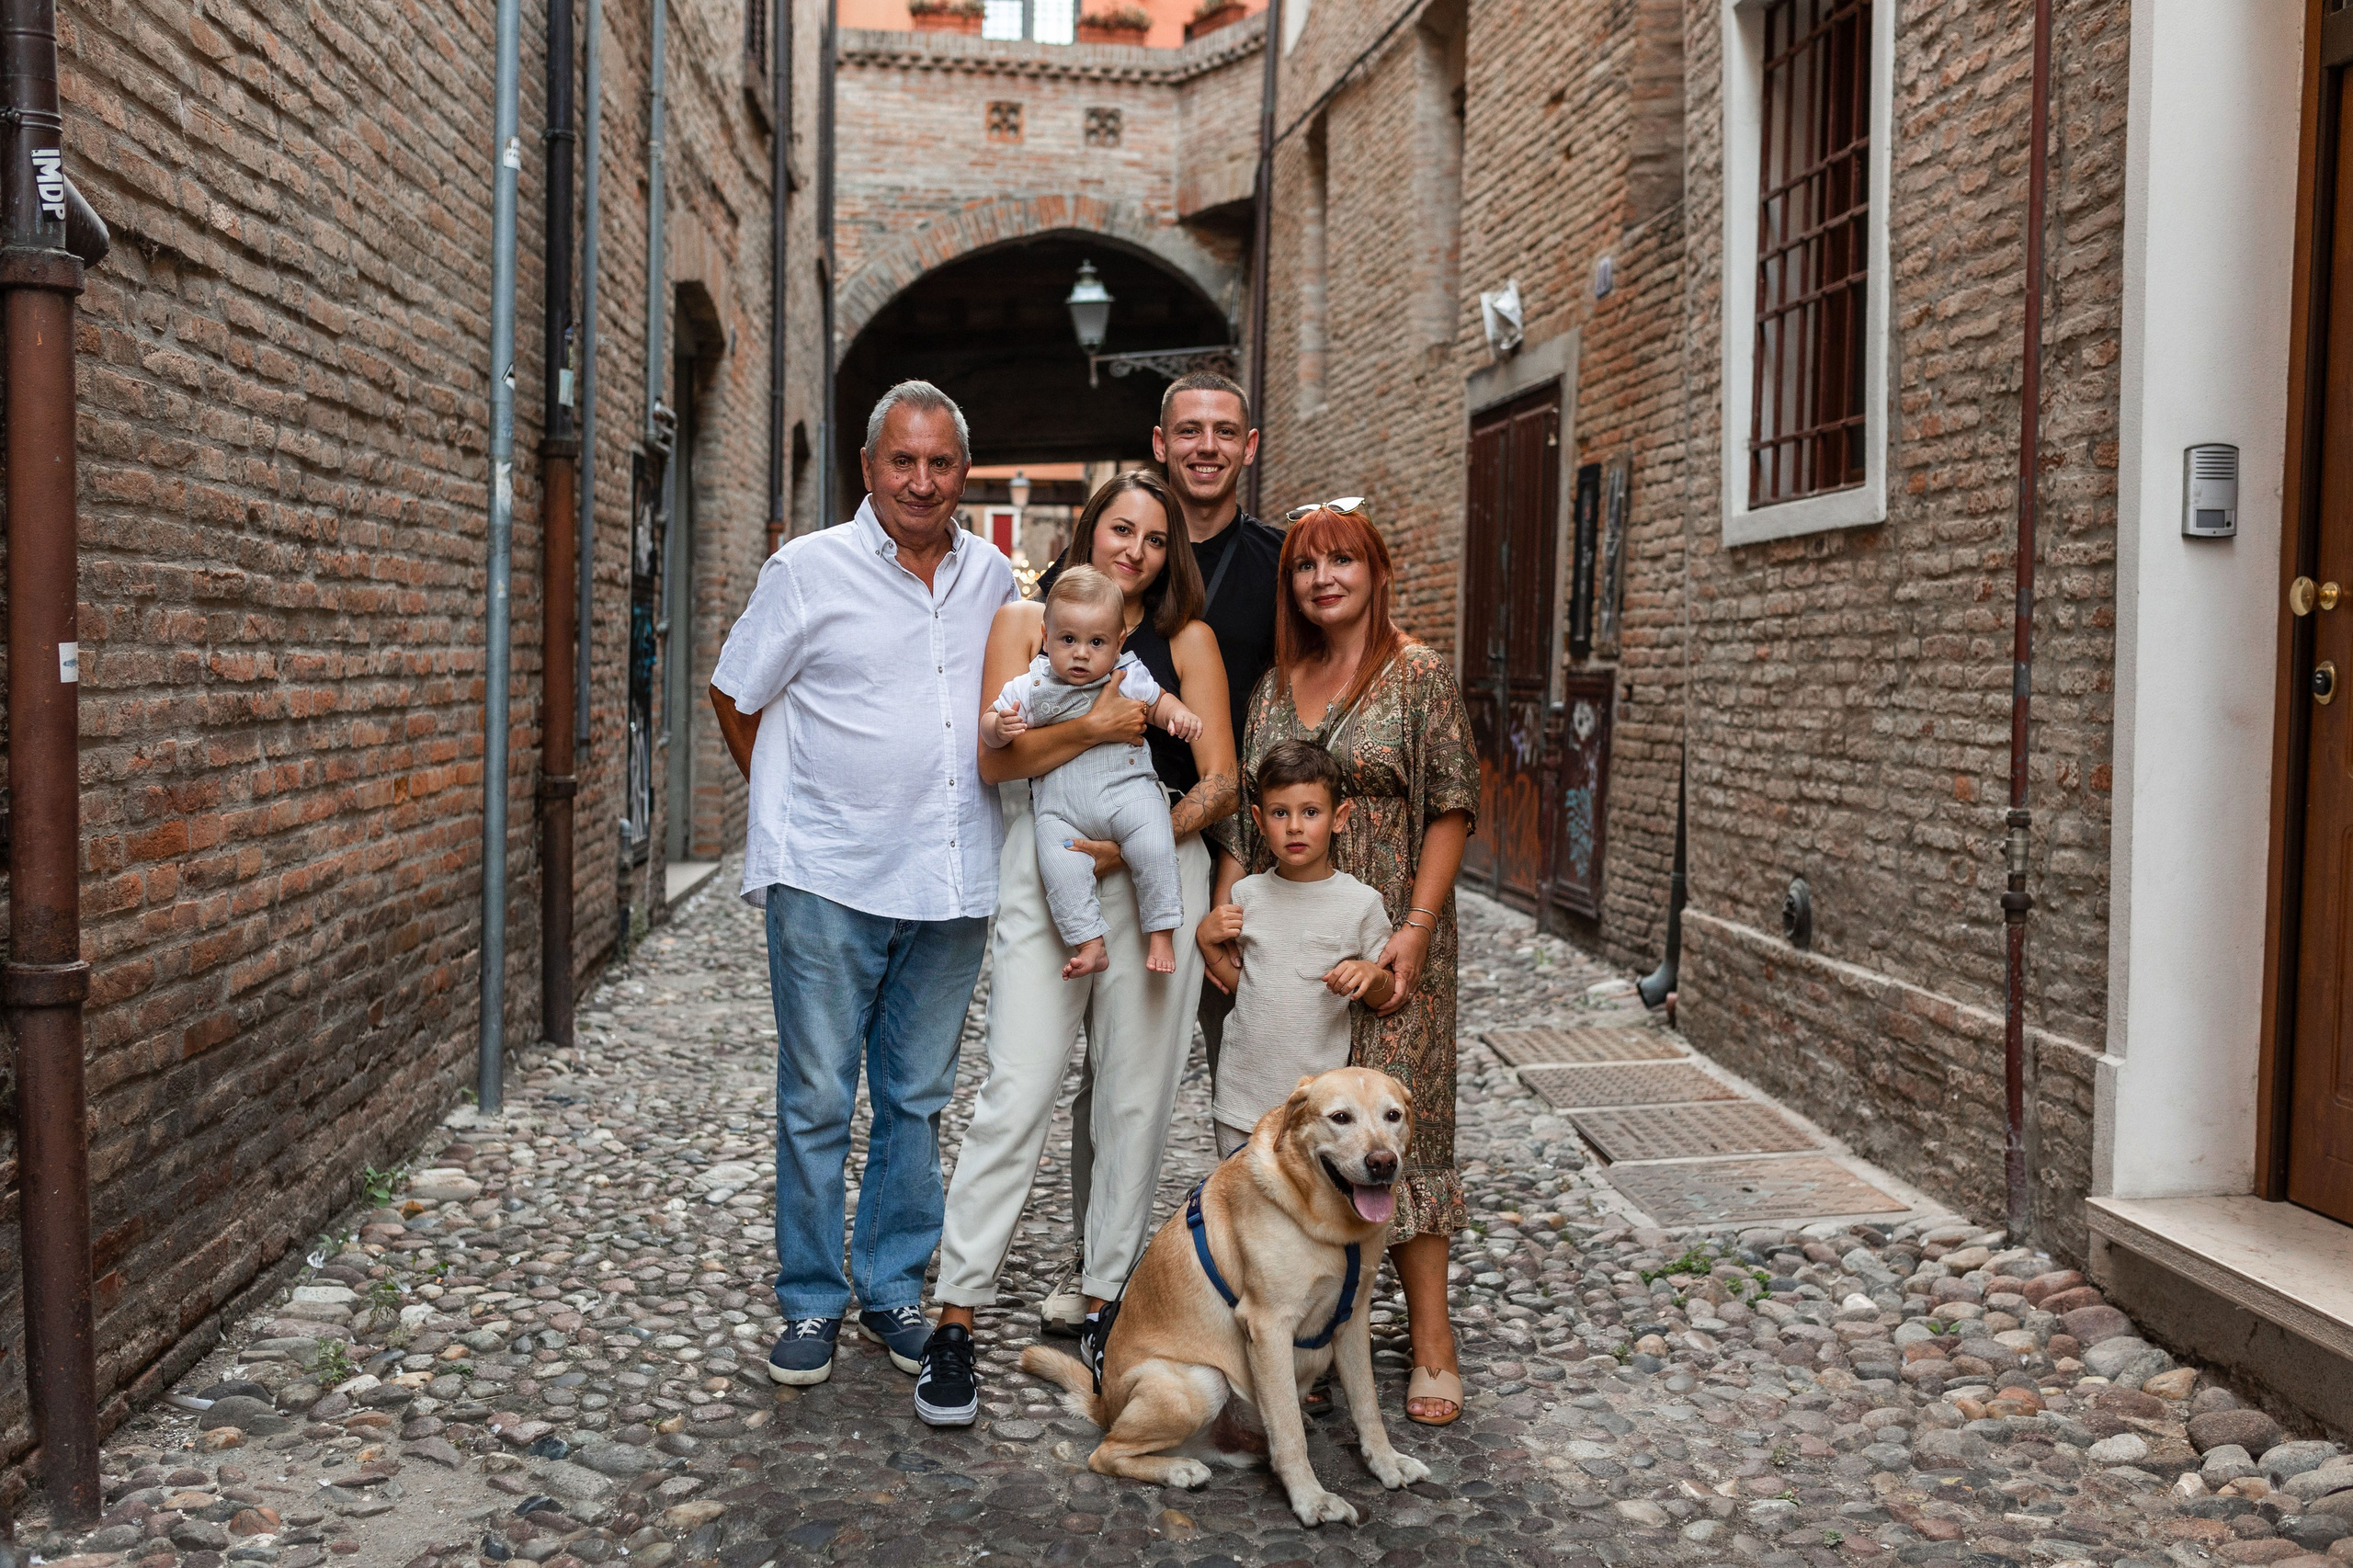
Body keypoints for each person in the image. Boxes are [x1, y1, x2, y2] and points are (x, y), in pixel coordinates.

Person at [706, 381, 1017, 1390]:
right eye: (902, 461)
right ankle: (808, 1300)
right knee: (815, 1098)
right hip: (830, 883)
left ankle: (888, 1288)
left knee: (915, 1101)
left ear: (962, 472)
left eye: (939, 463)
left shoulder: (995, 581)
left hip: (950, 880)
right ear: (868, 468)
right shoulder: (807, 570)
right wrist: (794, 807)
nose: (920, 481)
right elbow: (733, 689)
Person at [920, 469, 1237, 1426]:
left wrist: (1150, 840)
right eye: (1117, 528)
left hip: (1152, 871)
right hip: (1043, 861)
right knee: (1014, 1087)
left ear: (1165, 552)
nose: (1131, 549)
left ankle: (1106, 1305)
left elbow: (1220, 777)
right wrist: (1100, 724)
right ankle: (956, 1313)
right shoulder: (1026, 623)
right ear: (1088, 530)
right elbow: (993, 757)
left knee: (1134, 1099)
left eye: (1151, 536)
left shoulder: (1185, 640)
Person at [1026, 371, 1291, 1339]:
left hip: (1239, 857)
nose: (1207, 446)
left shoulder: (1272, 563)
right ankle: (1106, 1266)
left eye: (1225, 431)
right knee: (1112, 1078)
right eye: (1190, 430)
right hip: (1120, 849)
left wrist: (1227, 865)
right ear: (1161, 440)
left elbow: (1269, 726)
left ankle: (1258, 1288)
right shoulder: (1101, 592)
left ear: (1249, 445)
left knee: (1252, 1075)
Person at [1222, 500, 1479, 1426]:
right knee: (1307, 1131)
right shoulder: (1277, 685)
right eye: (1303, 566)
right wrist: (1224, 914)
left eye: (1340, 561)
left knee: (1403, 1131)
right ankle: (1321, 1331)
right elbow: (1241, 816)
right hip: (1290, 939)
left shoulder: (1416, 674)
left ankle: (1433, 1339)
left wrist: (1411, 928)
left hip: (1394, 937)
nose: (1322, 579)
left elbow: (1450, 804)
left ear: (1373, 568)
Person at [984, 564, 1205, 979]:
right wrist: (998, 728)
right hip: (1061, 812)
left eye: (1097, 642)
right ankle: (1089, 941)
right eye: (1068, 640)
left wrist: (1181, 716)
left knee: (1155, 842)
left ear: (1119, 642)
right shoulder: (1030, 686)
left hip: (1127, 795)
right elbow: (991, 724)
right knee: (1058, 865)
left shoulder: (1127, 674)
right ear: (1046, 638)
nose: (1082, 653)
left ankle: (1161, 929)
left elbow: (1159, 702)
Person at [1198, 738, 1394, 1158]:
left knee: (1311, 1211)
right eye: (1279, 813)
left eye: (1310, 813)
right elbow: (1244, 984)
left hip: (1319, 1113)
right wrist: (1207, 939)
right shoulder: (1246, 895)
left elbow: (1388, 993)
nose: (1294, 827)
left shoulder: (1360, 904)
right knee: (1246, 1208)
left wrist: (1372, 975)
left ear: (1338, 817)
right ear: (1259, 818)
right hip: (1241, 1097)